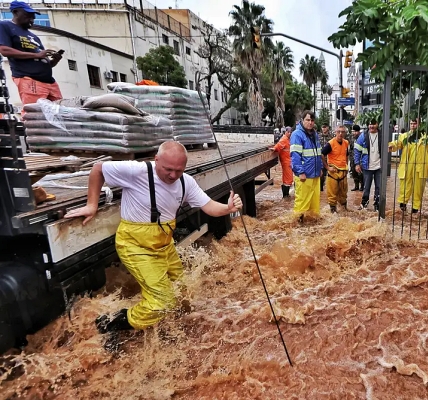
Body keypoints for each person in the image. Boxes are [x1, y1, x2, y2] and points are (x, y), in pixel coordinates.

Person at [64, 141, 243, 334]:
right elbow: (98, 169)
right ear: (156, 160)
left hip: (164, 245)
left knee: (182, 290)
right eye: (168, 169)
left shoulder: (186, 182)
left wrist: (228, 208)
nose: (173, 175)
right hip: (135, 245)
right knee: (163, 301)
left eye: (179, 170)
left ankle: (171, 329)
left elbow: (209, 206)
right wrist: (92, 205)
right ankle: (109, 324)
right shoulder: (137, 172)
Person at [0, 1, 63, 111]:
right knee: (35, 114)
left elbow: (41, 60)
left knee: (60, 112)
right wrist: (37, 54)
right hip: (30, 80)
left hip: (50, 82)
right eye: (28, 15)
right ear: (15, 12)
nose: (31, 19)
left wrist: (54, 61)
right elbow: (4, 50)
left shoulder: (33, 36)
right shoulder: (5, 26)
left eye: (33, 17)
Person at [389, 118, 428, 213]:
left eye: (415, 123)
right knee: (405, 187)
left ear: (419, 124)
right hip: (407, 167)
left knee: (418, 189)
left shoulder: (426, 137)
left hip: (420, 167)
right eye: (411, 123)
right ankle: (402, 207)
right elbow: (397, 144)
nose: (413, 125)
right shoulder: (405, 136)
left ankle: (415, 209)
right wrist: (391, 146)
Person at [290, 110, 323, 221]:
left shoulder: (314, 134)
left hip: (315, 174)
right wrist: (300, 172)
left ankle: (311, 229)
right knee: (301, 204)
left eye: (312, 120)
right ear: (302, 120)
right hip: (304, 175)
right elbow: (295, 156)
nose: (310, 123)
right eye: (308, 120)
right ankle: (298, 226)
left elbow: (318, 153)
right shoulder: (297, 135)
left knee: (314, 205)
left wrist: (320, 168)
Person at [354, 120, 384, 211]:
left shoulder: (382, 135)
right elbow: (357, 151)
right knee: (366, 187)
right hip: (367, 166)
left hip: (379, 166)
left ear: (377, 124)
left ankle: (377, 205)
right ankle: (364, 204)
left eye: (373, 124)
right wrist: (357, 164)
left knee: (379, 187)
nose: (371, 126)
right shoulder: (363, 136)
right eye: (370, 124)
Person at [321, 125, 349, 213]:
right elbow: (321, 155)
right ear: (335, 132)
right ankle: (333, 212)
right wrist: (327, 167)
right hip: (333, 172)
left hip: (343, 172)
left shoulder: (346, 142)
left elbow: (346, 155)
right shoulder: (331, 143)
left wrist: (347, 166)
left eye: (342, 132)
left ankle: (344, 211)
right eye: (339, 132)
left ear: (345, 133)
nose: (340, 134)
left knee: (344, 193)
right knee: (332, 194)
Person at [270, 126, 293, 198]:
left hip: (288, 162)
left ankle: (286, 195)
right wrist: (274, 148)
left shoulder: (288, 139)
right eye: (288, 132)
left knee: (288, 178)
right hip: (286, 162)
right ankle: (285, 195)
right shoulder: (284, 139)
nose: (289, 133)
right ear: (285, 132)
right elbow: (278, 146)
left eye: (290, 132)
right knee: (288, 179)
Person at [349, 125, 363, 192]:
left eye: (355, 131)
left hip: (360, 159)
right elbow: (350, 148)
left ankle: (362, 185)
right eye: (353, 131)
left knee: (360, 173)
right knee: (354, 172)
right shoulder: (352, 138)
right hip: (352, 158)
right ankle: (356, 186)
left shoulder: (362, 138)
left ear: (358, 131)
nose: (354, 133)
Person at [318, 124, 333, 192]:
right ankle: (321, 188)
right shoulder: (318, 136)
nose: (323, 129)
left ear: (328, 128)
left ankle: (331, 188)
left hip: (330, 158)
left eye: (325, 127)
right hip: (321, 158)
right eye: (322, 127)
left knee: (331, 174)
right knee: (321, 174)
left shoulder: (332, 137)